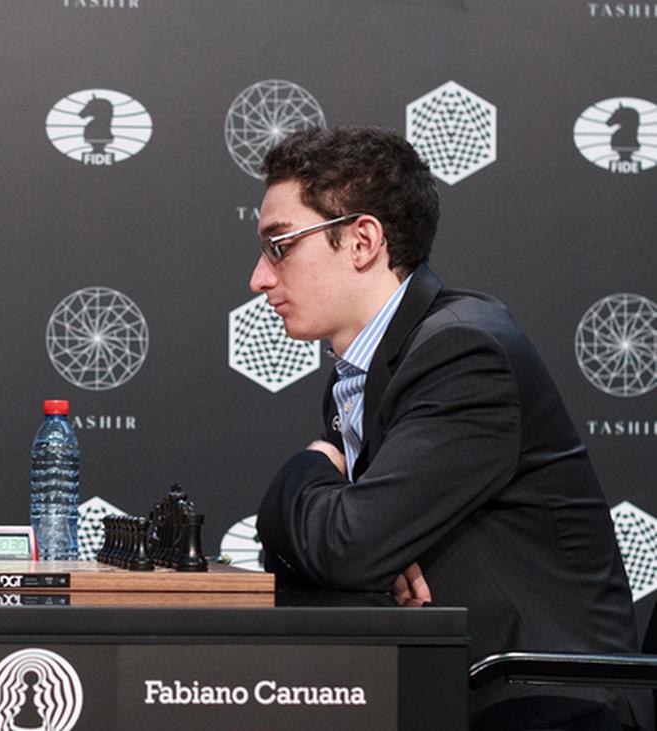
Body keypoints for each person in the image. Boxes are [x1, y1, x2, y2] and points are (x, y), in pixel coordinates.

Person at [251, 127, 649, 729]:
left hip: (551, 706)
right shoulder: (359, 373)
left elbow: (345, 547)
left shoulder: (463, 350)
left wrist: (312, 465)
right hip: (456, 694)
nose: (260, 277)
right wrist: (370, 547)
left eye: (280, 246)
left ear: (362, 241)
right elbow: (327, 554)